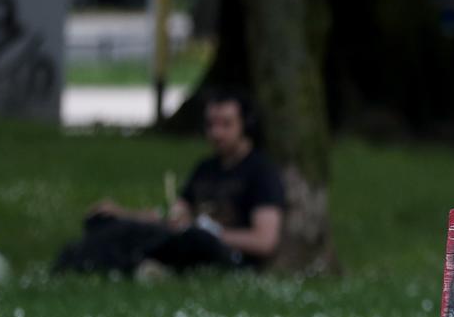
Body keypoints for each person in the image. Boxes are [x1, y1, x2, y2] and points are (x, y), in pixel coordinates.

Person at [56, 90, 284, 275]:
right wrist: (122, 214)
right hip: (183, 238)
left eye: (226, 124)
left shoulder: (261, 172)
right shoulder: (206, 168)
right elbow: (172, 215)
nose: (216, 133)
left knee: (195, 240)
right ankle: (83, 262)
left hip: (224, 253)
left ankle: (139, 266)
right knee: (106, 222)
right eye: (211, 125)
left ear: (246, 126)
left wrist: (211, 231)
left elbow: (264, 241)